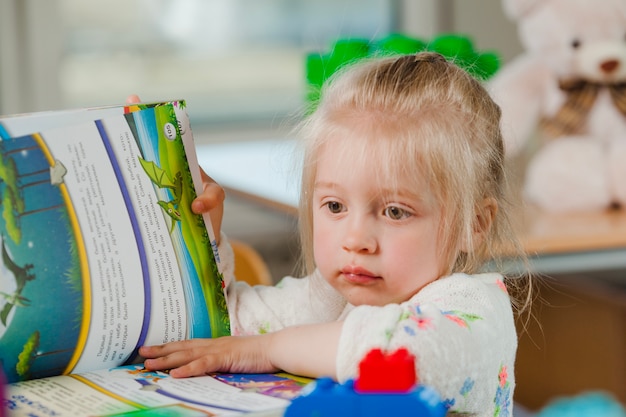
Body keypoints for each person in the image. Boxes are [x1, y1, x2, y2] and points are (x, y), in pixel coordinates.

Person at [136, 51, 530, 416]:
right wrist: (203, 235)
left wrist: (268, 348)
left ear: (473, 225)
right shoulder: (331, 296)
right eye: (335, 206)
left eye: (395, 211)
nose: (356, 239)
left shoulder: (476, 310)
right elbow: (230, 330)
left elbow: (406, 353)